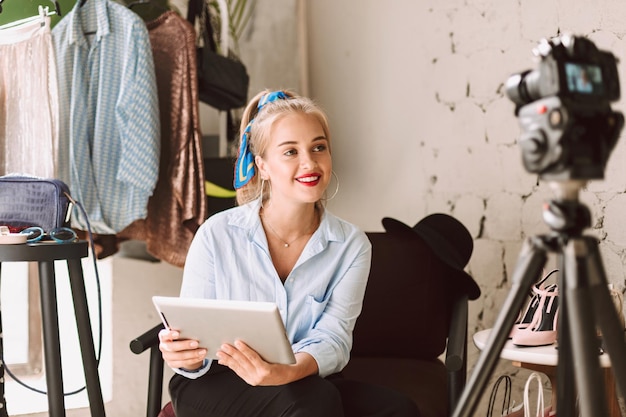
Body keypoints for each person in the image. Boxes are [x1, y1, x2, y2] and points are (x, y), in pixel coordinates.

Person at [158, 89, 421, 417]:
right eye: (290, 152)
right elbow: (194, 338)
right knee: (311, 403)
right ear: (263, 166)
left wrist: (288, 372)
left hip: (299, 375)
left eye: (318, 147)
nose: (309, 162)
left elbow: (334, 338)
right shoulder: (217, 234)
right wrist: (184, 354)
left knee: (398, 410)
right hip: (216, 380)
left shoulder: (351, 245)